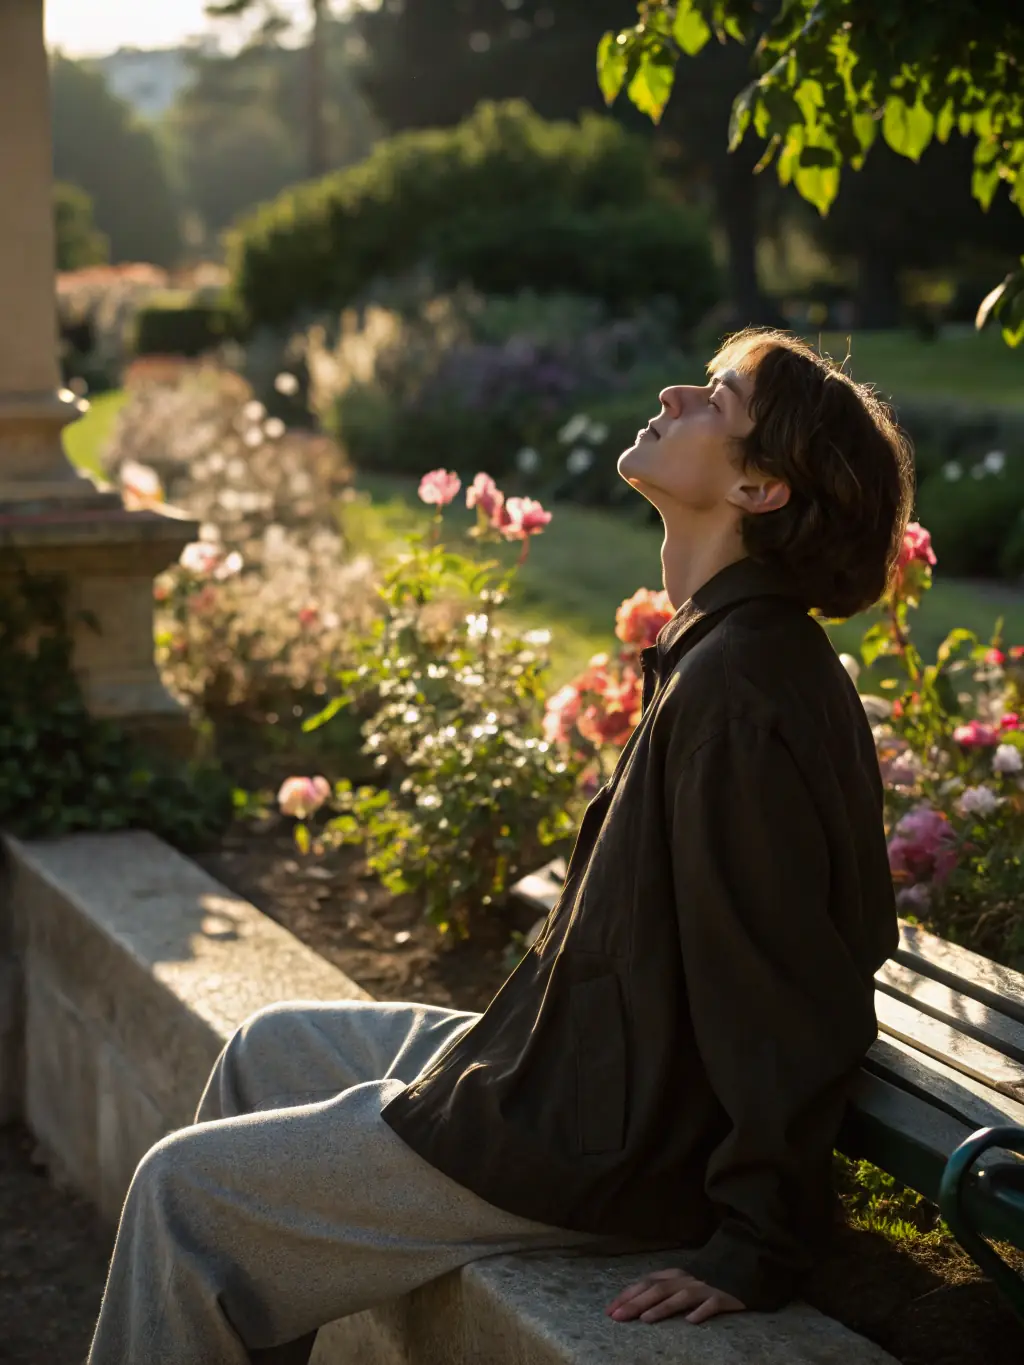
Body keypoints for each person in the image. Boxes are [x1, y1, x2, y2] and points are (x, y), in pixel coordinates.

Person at [87, 328, 913, 1363]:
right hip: (571, 1070)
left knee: (183, 1198)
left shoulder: (741, 692)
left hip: (598, 1139)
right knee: (268, 1050)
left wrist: (754, 1244)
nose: (672, 391)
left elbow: (782, 990)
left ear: (760, 490)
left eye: (716, 398)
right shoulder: (722, 649)